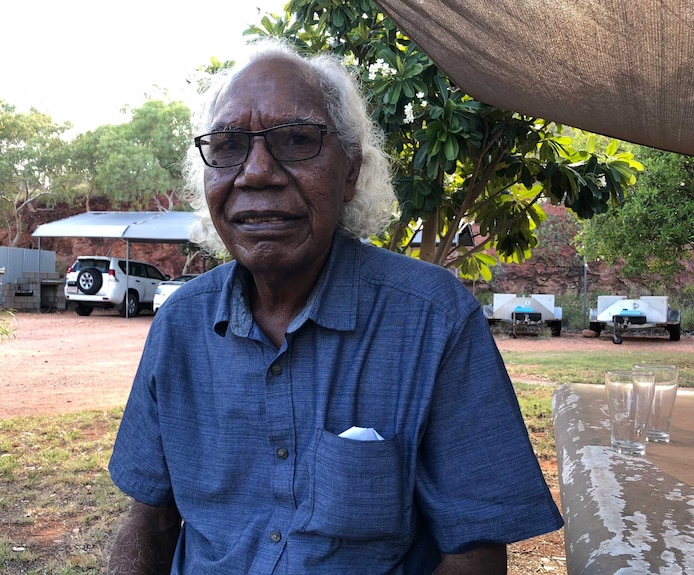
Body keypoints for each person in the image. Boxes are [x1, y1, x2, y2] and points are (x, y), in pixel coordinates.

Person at [107, 39, 563, 575]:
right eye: (229, 146)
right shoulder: (180, 325)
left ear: (349, 173)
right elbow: (150, 520)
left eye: (297, 139)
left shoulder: (433, 319)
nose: (256, 172)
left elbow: (474, 555)